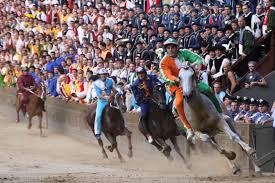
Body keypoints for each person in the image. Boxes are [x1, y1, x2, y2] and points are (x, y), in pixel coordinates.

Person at [159, 38, 222, 141]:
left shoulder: (185, 52)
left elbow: (199, 59)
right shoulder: (164, 61)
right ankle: (188, 127)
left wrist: (191, 64)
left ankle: (219, 113)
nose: (171, 50)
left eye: (173, 47)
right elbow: (165, 76)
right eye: (168, 48)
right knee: (179, 103)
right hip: (177, 85)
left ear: (177, 47)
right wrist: (177, 79)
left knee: (207, 89)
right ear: (166, 49)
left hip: (191, 81)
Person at [130, 67, 161, 144]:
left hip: (155, 98)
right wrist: (143, 99)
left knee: (164, 106)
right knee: (144, 115)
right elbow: (136, 97)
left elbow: (159, 83)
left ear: (145, 73)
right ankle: (148, 134)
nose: (141, 75)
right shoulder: (135, 84)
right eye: (139, 74)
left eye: (142, 73)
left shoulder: (151, 77)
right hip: (145, 101)